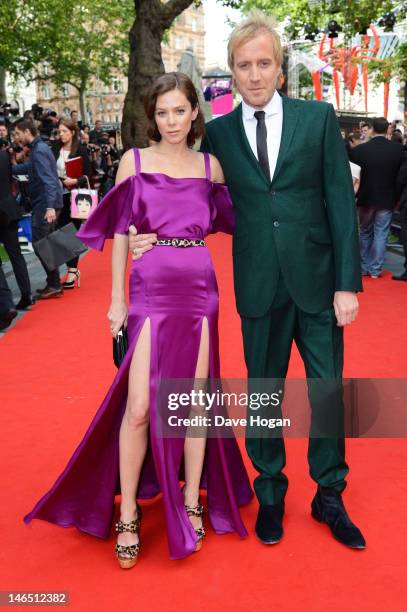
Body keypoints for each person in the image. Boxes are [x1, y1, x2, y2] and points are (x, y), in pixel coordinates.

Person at [130, 11, 366, 550]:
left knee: (327, 391)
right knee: (264, 393)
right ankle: (272, 491)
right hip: (258, 284)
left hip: (320, 282)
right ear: (232, 74)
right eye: (243, 66)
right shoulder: (218, 134)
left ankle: (330, 492)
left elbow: (338, 202)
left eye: (264, 64)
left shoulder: (318, 119)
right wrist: (145, 235)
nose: (254, 75)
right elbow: (183, 193)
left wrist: (347, 284)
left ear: (280, 68)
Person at [23, 72, 253, 568]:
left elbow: (236, 217)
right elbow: (123, 229)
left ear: (195, 113)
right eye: (162, 112)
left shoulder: (210, 167)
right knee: (140, 406)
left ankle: (191, 499)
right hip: (150, 288)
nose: (171, 121)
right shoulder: (134, 160)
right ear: (153, 117)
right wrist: (116, 299)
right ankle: (127, 509)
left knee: (194, 405)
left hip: (198, 290)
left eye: (179, 110)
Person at [11, 119, 63, 299]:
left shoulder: (39, 150)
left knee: (41, 244)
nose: (16, 138)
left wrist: (49, 207)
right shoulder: (39, 148)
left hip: (45, 203)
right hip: (46, 202)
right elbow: (31, 169)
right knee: (46, 243)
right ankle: (54, 281)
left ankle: (55, 283)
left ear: (27, 131)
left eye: (17, 133)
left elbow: (49, 179)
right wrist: (11, 167)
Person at [351, 117, 407, 278]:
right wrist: (395, 196)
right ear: (387, 129)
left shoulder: (360, 150)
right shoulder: (397, 150)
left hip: (365, 197)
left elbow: (355, 175)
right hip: (387, 197)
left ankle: (363, 267)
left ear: (373, 129)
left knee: (365, 232)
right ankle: (375, 269)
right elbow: (400, 177)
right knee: (381, 233)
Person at [52, 118, 91, 289]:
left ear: (72, 132)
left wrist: (75, 180)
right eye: (59, 132)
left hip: (75, 196)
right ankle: (71, 269)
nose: (61, 135)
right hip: (58, 197)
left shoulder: (80, 149)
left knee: (71, 233)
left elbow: (88, 174)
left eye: (64, 131)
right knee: (60, 234)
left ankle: (73, 270)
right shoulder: (54, 149)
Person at [0, 149, 33, 309]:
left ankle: (5, 304)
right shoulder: (4, 155)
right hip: (9, 208)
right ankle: (27, 294)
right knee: (16, 254)